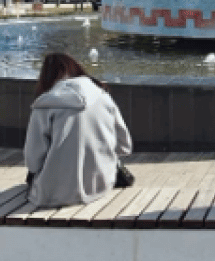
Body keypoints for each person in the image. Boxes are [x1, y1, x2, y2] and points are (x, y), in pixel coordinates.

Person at [23, 53, 133, 209]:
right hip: (100, 185)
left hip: (54, 194)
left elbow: (33, 162)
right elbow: (124, 147)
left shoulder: (44, 104)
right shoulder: (103, 96)